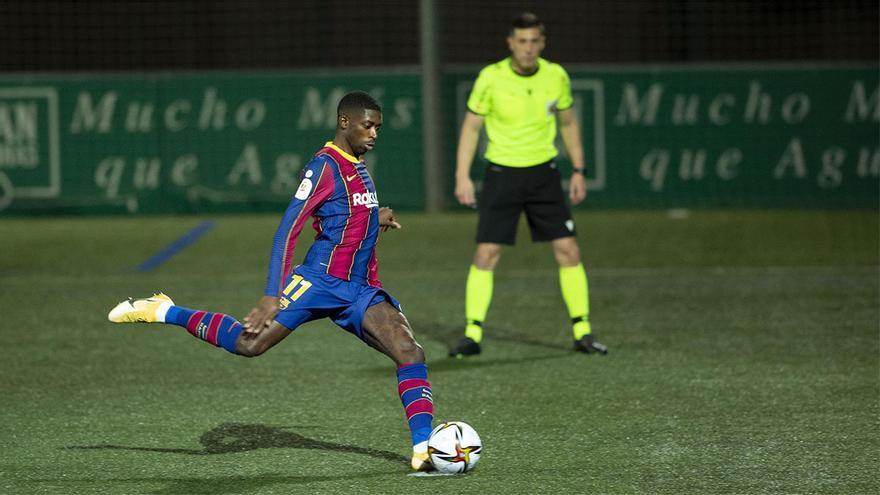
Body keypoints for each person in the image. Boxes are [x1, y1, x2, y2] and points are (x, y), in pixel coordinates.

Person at [108, 91, 436, 472]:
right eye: (368, 125)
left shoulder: (359, 164)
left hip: (359, 289)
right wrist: (270, 296)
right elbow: (287, 231)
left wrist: (374, 216)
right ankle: (165, 310)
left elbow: (344, 213)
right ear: (344, 122)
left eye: (378, 127)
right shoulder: (323, 166)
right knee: (249, 345)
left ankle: (424, 449)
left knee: (410, 352)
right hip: (318, 281)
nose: (374, 133)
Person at [449, 12, 608, 357]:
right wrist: (462, 176)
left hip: (544, 176)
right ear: (510, 44)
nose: (528, 48)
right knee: (486, 253)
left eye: (534, 41)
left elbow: (568, 123)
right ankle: (472, 333)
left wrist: (578, 168)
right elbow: (471, 128)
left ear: (542, 43)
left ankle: (583, 331)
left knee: (568, 249)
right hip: (502, 175)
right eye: (522, 42)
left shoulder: (556, 76)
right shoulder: (491, 78)